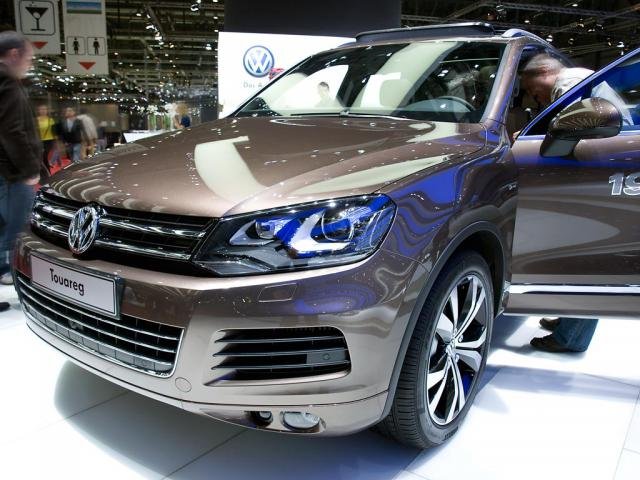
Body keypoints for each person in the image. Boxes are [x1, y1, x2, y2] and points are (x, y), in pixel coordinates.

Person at [519, 54, 603, 353]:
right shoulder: (584, 80)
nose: (536, 98)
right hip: (597, 179)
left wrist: (531, 141)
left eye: (533, 90)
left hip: (597, 182)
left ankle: (573, 337)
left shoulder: (572, 84)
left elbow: (571, 133)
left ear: (544, 71)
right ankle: (570, 321)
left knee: (585, 259)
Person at [0, 31, 46, 299]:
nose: (30, 64)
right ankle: (12, 273)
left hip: (5, 172)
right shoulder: (7, 85)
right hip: (12, 173)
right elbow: (11, 132)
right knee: (18, 229)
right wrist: (29, 170)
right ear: (14, 54)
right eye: (29, 58)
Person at [36, 104, 56, 173]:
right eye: (41, 109)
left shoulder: (50, 120)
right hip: (38, 141)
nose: (43, 111)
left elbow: (54, 131)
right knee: (40, 157)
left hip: (49, 140)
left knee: (44, 156)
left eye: (45, 109)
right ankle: (43, 172)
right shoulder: (36, 120)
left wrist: (56, 140)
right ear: (38, 111)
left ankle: (47, 172)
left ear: (47, 111)